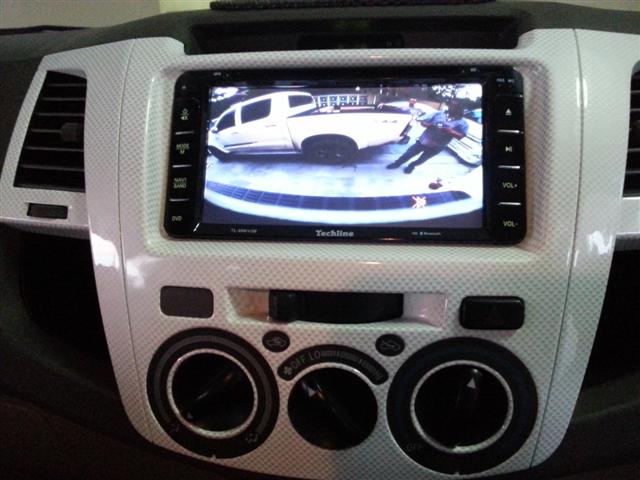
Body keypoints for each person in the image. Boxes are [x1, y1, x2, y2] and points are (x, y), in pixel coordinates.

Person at [387, 102, 469, 174]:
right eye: (452, 107)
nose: (452, 109)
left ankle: (411, 166)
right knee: (408, 154)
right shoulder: (438, 114)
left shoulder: (463, 123)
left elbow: (461, 136)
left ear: (461, 110)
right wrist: (430, 125)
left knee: (421, 160)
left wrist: (450, 131)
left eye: (456, 108)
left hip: (437, 146)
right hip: (423, 141)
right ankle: (397, 163)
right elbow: (422, 121)